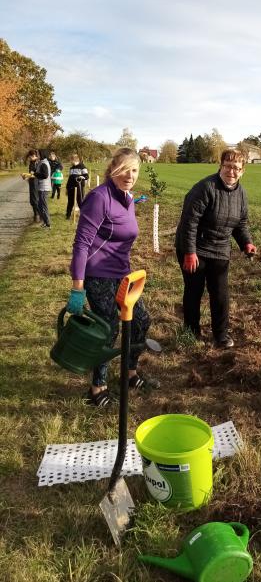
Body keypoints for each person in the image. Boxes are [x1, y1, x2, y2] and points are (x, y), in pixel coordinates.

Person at [66, 148, 154, 407]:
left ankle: (130, 372)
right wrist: (77, 287)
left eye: (135, 170)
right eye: (124, 168)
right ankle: (97, 388)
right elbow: (82, 244)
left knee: (140, 321)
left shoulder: (128, 197)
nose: (130, 175)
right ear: (112, 168)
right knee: (108, 329)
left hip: (122, 274)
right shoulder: (99, 198)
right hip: (97, 275)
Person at [175, 149, 256, 348]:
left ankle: (221, 335)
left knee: (220, 293)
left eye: (237, 168)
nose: (231, 171)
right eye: (228, 166)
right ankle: (191, 331)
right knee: (194, 290)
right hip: (195, 247)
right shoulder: (205, 188)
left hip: (220, 248)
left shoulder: (241, 194)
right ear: (220, 166)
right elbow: (189, 222)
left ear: (242, 171)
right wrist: (189, 252)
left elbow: (241, 223)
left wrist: (247, 242)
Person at [66, 153, 89, 219]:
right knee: (70, 202)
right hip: (71, 187)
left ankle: (83, 216)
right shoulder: (71, 168)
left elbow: (87, 176)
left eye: (71, 160)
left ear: (75, 160)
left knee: (80, 202)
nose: (70, 162)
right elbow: (70, 178)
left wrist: (82, 177)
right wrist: (67, 188)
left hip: (79, 187)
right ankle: (68, 215)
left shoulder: (82, 167)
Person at [33, 149, 52, 228]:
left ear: (42, 154)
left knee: (43, 206)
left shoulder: (44, 163)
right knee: (40, 206)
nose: (37, 156)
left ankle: (48, 224)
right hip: (41, 187)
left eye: (38, 154)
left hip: (44, 188)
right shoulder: (41, 162)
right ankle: (45, 222)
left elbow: (45, 175)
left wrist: (35, 173)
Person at [23, 149, 39, 222]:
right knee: (32, 200)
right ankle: (35, 214)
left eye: (31, 156)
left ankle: (38, 215)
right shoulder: (31, 163)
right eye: (29, 157)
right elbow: (31, 173)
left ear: (35, 156)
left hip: (36, 183)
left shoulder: (38, 163)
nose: (30, 158)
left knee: (35, 200)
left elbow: (38, 175)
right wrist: (26, 176)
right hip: (31, 183)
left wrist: (28, 175)